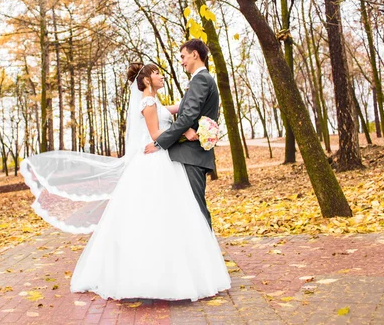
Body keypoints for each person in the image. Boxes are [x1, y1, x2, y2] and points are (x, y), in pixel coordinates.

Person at [20, 46, 230, 301]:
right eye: (157, 73)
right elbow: (156, 134)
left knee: (178, 212)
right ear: (146, 79)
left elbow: (183, 111)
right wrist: (175, 134)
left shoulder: (160, 100)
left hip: (168, 157)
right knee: (163, 213)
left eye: (183, 56)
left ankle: (191, 266)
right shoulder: (148, 101)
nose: (163, 76)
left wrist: (190, 127)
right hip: (156, 158)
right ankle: (169, 271)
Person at [144, 39, 218, 229]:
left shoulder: (200, 79)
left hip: (192, 155)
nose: (182, 61)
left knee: (197, 210)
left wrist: (159, 143)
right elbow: (186, 113)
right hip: (192, 154)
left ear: (195, 54)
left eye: (183, 57)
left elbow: (187, 116)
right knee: (191, 209)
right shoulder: (202, 79)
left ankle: (208, 256)